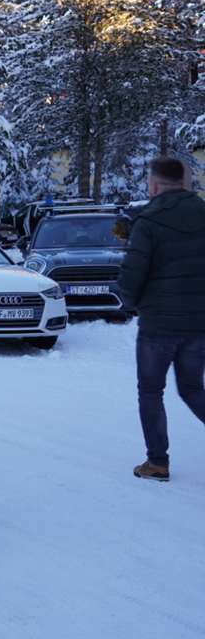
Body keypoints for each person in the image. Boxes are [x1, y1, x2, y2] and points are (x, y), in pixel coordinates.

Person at [117, 156, 205, 482]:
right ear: (184, 183)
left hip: (158, 325)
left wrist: (130, 304)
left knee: (152, 391)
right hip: (198, 325)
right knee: (193, 389)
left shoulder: (149, 220)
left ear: (153, 186)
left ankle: (157, 463)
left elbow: (132, 274)